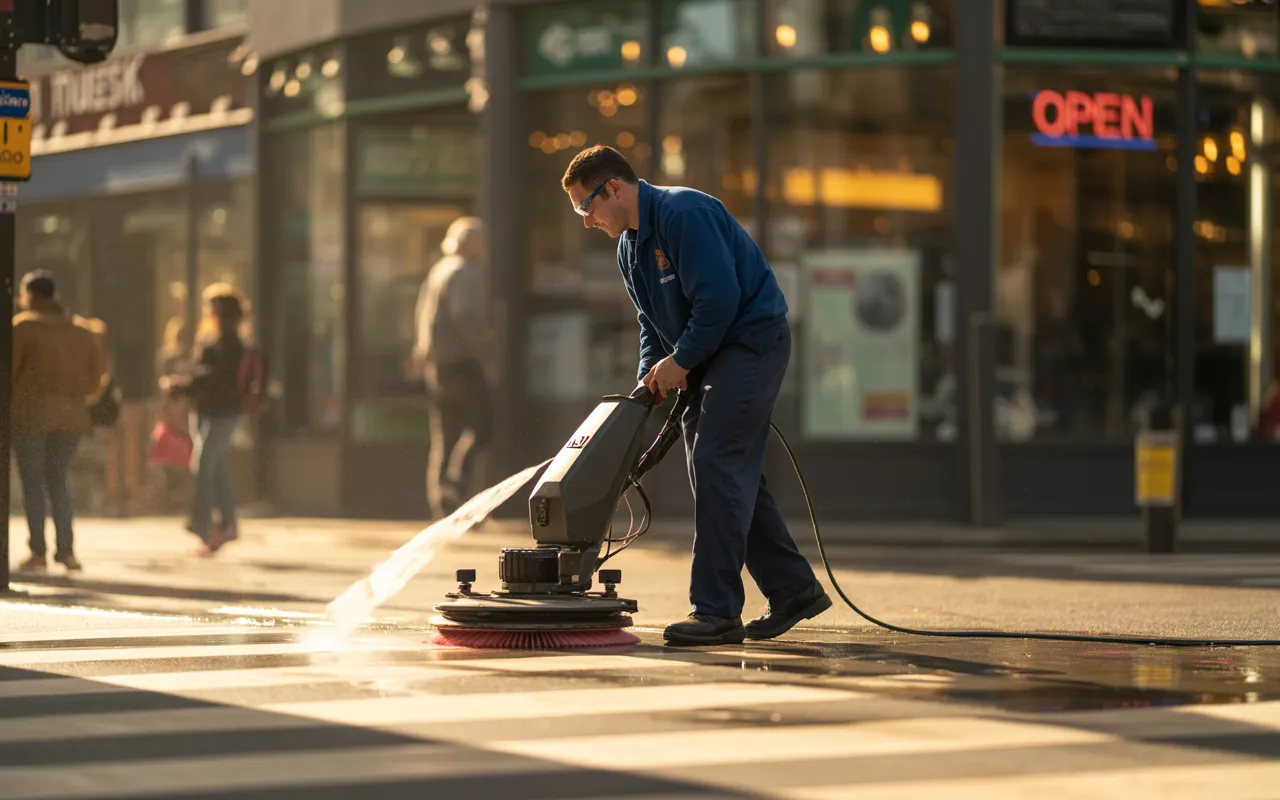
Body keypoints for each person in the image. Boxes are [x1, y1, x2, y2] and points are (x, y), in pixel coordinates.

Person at [561, 145, 831, 646]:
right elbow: (651, 322)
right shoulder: (628, 246)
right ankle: (794, 589)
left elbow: (719, 300)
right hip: (705, 352)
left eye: (586, 207)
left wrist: (681, 361)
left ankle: (716, 611)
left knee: (717, 465)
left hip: (749, 343)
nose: (585, 220)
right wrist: (649, 381)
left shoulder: (685, 213)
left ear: (613, 188)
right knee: (720, 470)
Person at [12, 270, 106, 571]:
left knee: (34, 482)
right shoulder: (82, 330)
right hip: (72, 415)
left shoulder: (23, 327)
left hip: (32, 414)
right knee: (58, 480)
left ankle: (38, 551)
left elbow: (9, 372)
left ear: (31, 296)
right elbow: (95, 381)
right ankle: (67, 551)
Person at [413, 217, 495, 518]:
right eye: (481, 239)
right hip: (462, 364)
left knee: (446, 435)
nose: (486, 245)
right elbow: (465, 317)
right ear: (469, 243)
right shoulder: (464, 272)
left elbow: (422, 315)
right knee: (482, 428)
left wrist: (423, 353)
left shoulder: (439, 270)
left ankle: (441, 504)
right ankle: (455, 486)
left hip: (438, 366)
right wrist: (485, 355)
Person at [161, 284, 250, 556]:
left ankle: (203, 524)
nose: (208, 311)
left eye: (211, 306)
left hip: (223, 413)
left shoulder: (230, 343)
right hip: (206, 411)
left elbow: (213, 379)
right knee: (216, 465)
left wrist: (182, 385)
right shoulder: (213, 340)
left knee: (204, 464)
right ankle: (226, 525)